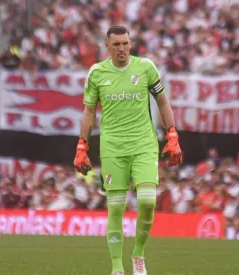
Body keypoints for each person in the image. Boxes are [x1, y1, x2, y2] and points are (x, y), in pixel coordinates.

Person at [73, 25, 182, 275]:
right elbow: (89, 112)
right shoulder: (97, 73)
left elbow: (163, 102)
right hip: (112, 148)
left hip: (144, 144)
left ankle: (139, 256)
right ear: (107, 46)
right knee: (116, 208)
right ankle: (117, 268)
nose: (121, 49)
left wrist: (172, 134)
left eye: (125, 43)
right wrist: (82, 146)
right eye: (116, 44)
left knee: (147, 202)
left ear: (130, 44)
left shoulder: (145, 68)